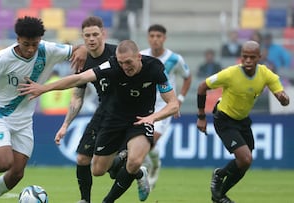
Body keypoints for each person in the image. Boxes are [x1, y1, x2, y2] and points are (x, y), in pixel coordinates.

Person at [18, 40, 180, 203]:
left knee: (135, 160)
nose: (125, 67)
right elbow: (79, 78)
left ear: (139, 57)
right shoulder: (112, 66)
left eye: (128, 62)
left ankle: (107, 201)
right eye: (121, 62)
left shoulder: (154, 67)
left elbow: (173, 104)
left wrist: (153, 118)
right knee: (98, 170)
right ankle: (139, 173)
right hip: (114, 119)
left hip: (141, 119)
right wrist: (44, 88)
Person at [0, 16, 86, 203]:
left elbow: (79, 48)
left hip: (24, 120)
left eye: (34, 44)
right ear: (17, 39)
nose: (31, 49)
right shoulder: (3, 58)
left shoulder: (47, 50)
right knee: (4, 162)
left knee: (17, 173)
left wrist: (82, 50)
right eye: (26, 44)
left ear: (40, 40)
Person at [196, 41, 290, 203]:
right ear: (241, 57)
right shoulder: (230, 73)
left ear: (259, 57)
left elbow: (283, 98)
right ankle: (219, 174)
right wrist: (201, 116)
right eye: (245, 57)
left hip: (242, 120)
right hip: (224, 118)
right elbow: (202, 87)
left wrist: (284, 99)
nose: (247, 60)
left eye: (252, 57)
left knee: (244, 164)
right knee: (245, 159)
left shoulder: (266, 74)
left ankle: (219, 196)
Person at [54, 16, 118, 203]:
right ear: (83, 38)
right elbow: (77, 97)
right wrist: (65, 125)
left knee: (106, 168)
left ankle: (134, 169)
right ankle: (85, 200)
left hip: (125, 111)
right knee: (83, 158)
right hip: (104, 110)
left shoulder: (117, 53)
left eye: (95, 34)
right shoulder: (83, 61)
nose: (91, 39)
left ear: (103, 34)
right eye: (87, 35)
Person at [140, 23, 191, 190]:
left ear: (164, 38)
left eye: (158, 36)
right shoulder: (140, 56)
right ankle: (153, 164)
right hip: (144, 106)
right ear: (148, 38)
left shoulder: (175, 59)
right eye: (152, 36)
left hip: (164, 107)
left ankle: (151, 167)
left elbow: (187, 77)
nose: (155, 40)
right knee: (143, 143)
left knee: (150, 141)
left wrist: (179, 99)